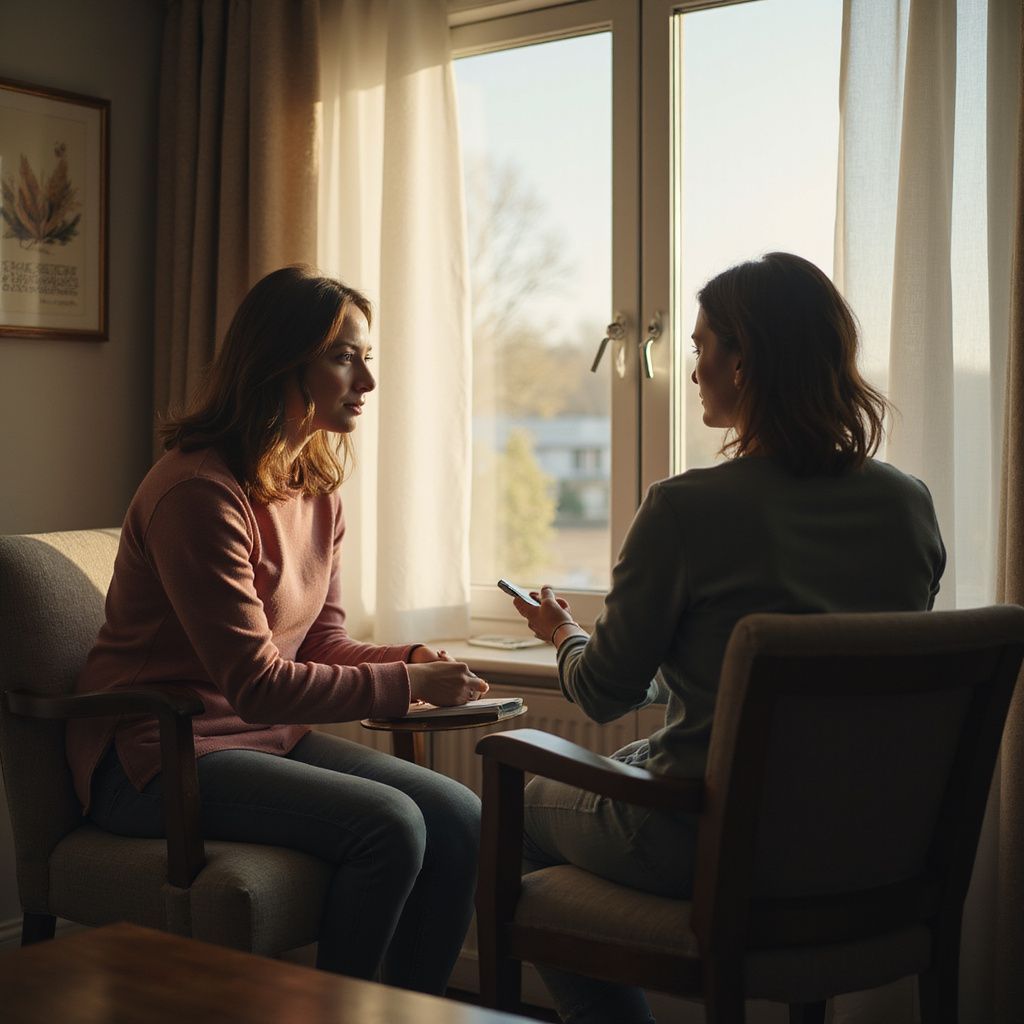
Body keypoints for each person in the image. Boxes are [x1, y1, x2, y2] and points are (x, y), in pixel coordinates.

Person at [510, 252, 946, 1024]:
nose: (692, 371)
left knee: (511, 808)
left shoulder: (685, 510)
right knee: (632, 761)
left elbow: (602, 693)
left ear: (743, 362)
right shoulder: (908, 505)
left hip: (713, 845)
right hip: (869, 847)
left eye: (701, 347)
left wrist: (563, 632)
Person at [66, 265, 489, 994]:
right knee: (391, 824)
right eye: (344, 358)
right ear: (280, 362)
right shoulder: (198, 493)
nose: (367, 381)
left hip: (261, 740)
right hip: (156, 760)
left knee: (461, 815)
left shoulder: (316, 490)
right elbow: (258, 685)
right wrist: (407, 681)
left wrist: (411, 657)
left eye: (367, 357)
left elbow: (321, 644)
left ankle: (407, 1010)